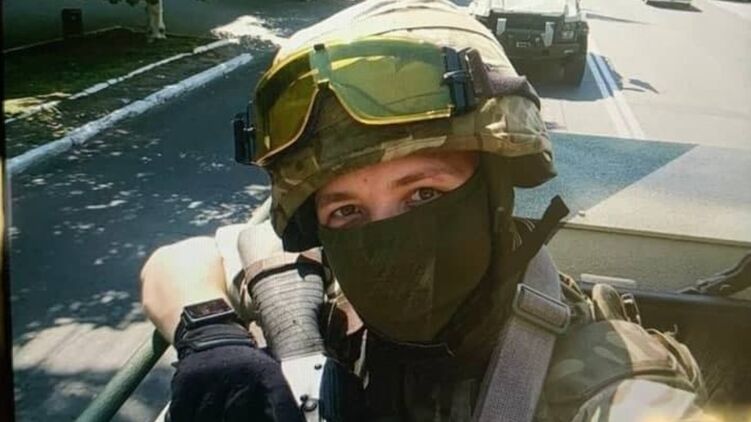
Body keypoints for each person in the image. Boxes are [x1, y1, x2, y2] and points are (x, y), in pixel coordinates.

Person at [140, 1, 708, 420]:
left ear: (495, 190)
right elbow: (177, 261)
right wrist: (210, 336)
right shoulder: (334, 291)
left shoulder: (610, 386)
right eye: (347, 211)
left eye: (423, 195)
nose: (388, 237)